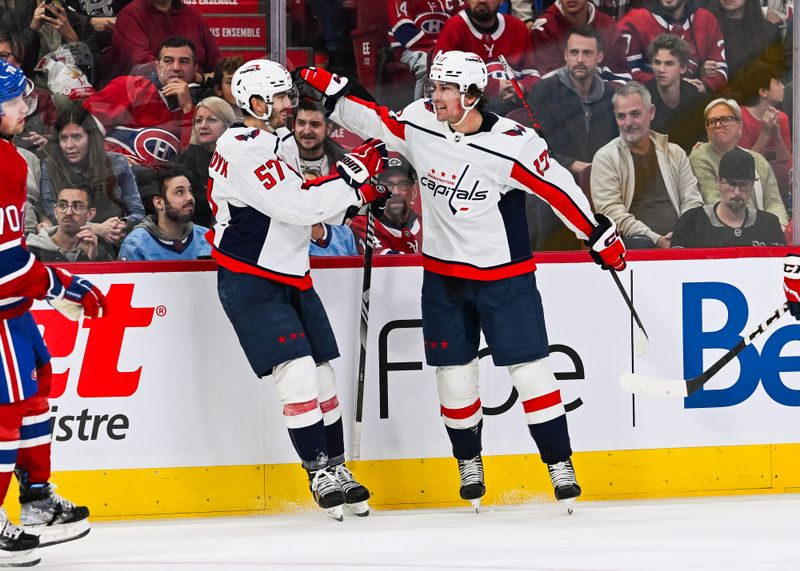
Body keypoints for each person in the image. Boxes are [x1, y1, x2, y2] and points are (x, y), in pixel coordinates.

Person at [297, 50, 627, 513]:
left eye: (446, 89)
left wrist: (594, 233)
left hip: (505, 278)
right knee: (454, 378)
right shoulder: (422, 123)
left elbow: (557, 189)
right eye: (434, 87)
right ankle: (468, 462)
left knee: (532, 373)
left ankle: (559, 463)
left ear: (472, 96)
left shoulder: (513, 142)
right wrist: (335, 95)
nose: (435, 96)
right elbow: (378, 123)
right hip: (444, 278)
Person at [208, 59, 389, 520]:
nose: (291, 104)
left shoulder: (271, 141)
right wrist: (353, 182)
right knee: (299, 374)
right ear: (254, 103)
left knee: (324, 376)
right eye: (282, 97)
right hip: (251, 278)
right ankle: (317, 471)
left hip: (289, 273)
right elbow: (297, 205)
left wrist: (358, 191)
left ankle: (338, 468)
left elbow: (312, 202)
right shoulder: (244, 145)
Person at [0, 59, 106, 567]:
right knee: (4, 414)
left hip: (13, 310)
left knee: (37, 391)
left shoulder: (12, 158)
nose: (25, 108)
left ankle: (37, 497)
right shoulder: (6, 163)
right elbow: (3, 268)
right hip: (1, 313)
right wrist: (59, 282)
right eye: (15, 100)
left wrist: (47, 283)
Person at [526, 25, 618, 250]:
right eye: (574, 52)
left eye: (587, 53)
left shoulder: (611, 95)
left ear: (599, 57)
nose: (579, 59)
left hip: (602, 181)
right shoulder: (544, 91)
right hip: (553, 180)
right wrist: (574, 165)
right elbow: (532, 146)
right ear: (565, 55)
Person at [591, 82, 704, 249]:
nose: (628, 122)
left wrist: (682, 234)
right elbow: (611, 212)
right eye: (621, 116)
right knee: (640, 243)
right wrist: (655, 239)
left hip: (681, 242)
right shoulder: (605, 157)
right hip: (635, 247)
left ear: (651, 112)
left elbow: (692, 201)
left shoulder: (675, 153)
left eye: (635, 114)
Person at [83, 36, 200, 168]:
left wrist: (187, 108)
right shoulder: (129, 87)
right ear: (157, 66)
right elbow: (81, 131)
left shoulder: (200, 111)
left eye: (184, 61)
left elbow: (189, 166)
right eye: (168, 60)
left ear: (195, 69)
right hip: (113, 175)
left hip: (161, 183)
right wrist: (109, 158)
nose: (176, 67)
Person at [39, 107, 145, 247]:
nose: (69, 145)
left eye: (77, 137)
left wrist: (120, 225)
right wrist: (96, 229)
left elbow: (138, 212)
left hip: (116, 236)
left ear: (91, 138)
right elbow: (53, 215)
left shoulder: (117, 163)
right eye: (64, 138)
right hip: (71, 242)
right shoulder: (49, 166)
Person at [689, 98, 788, 228]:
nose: (717, 125)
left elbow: (774, 202)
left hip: (767, 232)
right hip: (726, 232)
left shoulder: (757, 159)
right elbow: (718, 203)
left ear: (739, 126)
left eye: (725, 119)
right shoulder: (700, 158)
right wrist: (760, 229)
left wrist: (778, 227)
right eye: (711, 121)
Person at [433, 0, 538, 113]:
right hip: (467, 113)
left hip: (514, 113)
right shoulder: (454, 28)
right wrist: (492, 87)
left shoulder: (517, 27)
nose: (482, 0)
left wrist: (522, 86)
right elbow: (442, 77)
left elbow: (534, 74)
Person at [671, 148, 784, 248]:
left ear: (752, 185)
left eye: (743, 184)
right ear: (719, 181)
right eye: (731, 184)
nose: (737, 192)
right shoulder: (691, 223)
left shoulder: (768, 225)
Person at [617, 0, 727, 93]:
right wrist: (678, 85)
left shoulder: (705, 19)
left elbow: (721, 70)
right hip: (649, 101)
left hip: (694, 102)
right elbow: (626, 75)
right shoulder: (634, 20)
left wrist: (703, 85)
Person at [108, 0, 219, 79]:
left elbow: (215, 62)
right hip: (143, 95)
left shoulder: (193, 15)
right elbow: (142, 64)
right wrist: (195, 75)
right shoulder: (130, 16)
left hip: (196, 92)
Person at [119, 167, 210, 261]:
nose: (190, 197)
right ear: (158, 203)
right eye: (179, 192)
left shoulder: (209, 237)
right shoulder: (136, 245)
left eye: (190, 191)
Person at [530, 0, 630, 84]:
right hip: (562, 103)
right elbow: (551, 83)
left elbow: (622, 76)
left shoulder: (607, 24)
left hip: (607, 99)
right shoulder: (545, 27)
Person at [171, 96, 235, 228]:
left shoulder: (240, 156)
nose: (203, 126)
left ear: (228, 125)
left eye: (211, 120)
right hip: (200, 230)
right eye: (198, 120)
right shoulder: (182, 161)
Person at [387, 0, 468, 99]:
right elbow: (403, 31)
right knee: (426, 66)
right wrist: (436, 51)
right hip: (410, 49)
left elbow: (463, 25)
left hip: (443, 48)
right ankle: (422, 111)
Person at [645, 34, 708, 154]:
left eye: (669, 64)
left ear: (683, 68)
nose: (661, 69)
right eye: (657, 62)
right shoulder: (643, 99)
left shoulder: (695, 99)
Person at [350, 154, 423, 255]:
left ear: (414, 191)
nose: (395, 192)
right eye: (387, 185)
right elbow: (385, 263)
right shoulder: (363, 225)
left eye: (403, 184)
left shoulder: (428, 226)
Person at [706, 0, 784, 86]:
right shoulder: (704, 29)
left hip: (757, 94)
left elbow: (778, 72)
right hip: (717, 94)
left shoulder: (769, 32)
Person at [27, 185, 115, 261]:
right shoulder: (31, 250)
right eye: (62, 205)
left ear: (90, 214)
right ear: (55, 211)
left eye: (76, 206)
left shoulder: (97, 250)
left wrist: (93, 259)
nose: (68, 212)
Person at [736, 62, 791, 163]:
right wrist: (765, 133)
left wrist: (778, 136)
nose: (783, 87)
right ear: (763, 92)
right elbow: (744, 166)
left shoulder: (782, 118)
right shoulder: (739, 117)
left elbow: (788, 166)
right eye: (777, 83)